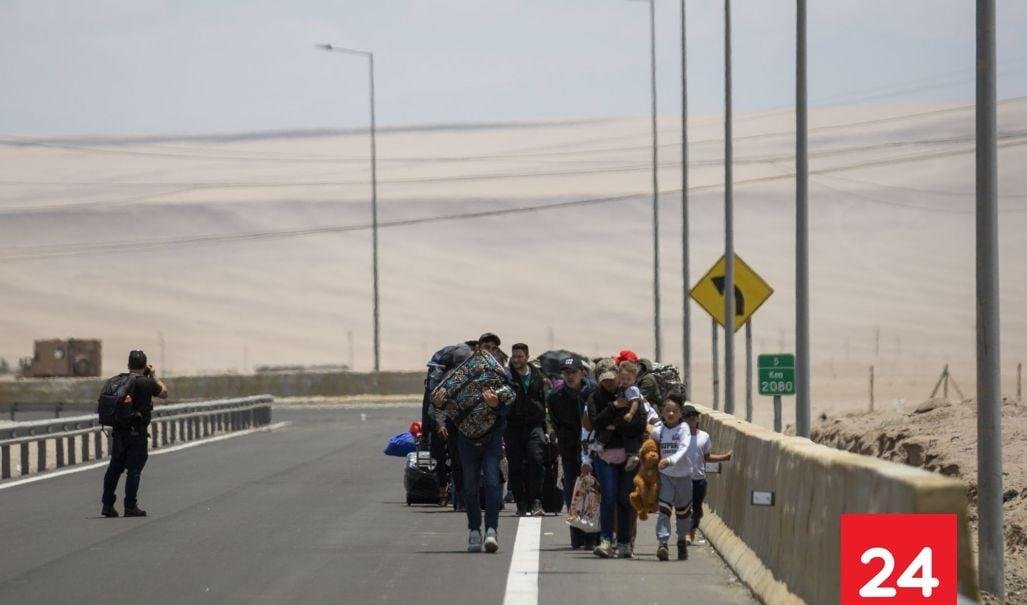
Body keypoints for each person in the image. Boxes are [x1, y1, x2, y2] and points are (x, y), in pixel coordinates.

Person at [432, 355, 515, 554]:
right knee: (470, 486)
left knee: (493, 482)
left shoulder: (502, 377)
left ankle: (492, 531)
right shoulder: (453, 380)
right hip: (466, 439)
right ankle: (474, 531)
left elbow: (510, 399)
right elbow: (438, 408)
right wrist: (438, 405)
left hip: (491, 438)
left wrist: (497, 405)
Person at [584, 369, 646, 559]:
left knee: (625, 499)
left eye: (612, 379)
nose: (609, 383)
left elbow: (640, 423)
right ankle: (606, 540)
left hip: (629, 456)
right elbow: (596, 423)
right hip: (605, 456)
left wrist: (616, 425)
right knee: (609, 497)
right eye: (605, 380)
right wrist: (613, 407)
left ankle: (625, 543)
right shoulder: (594, 398)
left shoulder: (633, 393)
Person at [101, 350, 168, 518]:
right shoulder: (146, 383)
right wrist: (153, 375)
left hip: (118, 432)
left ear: (128, 365)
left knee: (114, 468)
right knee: (134, 470)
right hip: (137, 433)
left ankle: (107, 505)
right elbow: (164, 393)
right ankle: (130, 506)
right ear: (144, 365)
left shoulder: (117, 380)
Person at [546, 357, 595, 548]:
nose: (569, 376)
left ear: (582, 372)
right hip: (569, 449)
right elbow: (556, 423)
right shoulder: (555, 396)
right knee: (572, 492)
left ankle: (593, 535)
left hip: (592, 447)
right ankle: (577, 536)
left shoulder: (593, 391)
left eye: (573, 372)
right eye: (566, 373)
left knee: (592, 491)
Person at [422, 343, 474, 508]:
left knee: (464, 463)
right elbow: (435, 406)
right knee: (457, 461)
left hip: (467, 426)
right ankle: (458, 497)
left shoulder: (476, 376)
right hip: (452, 426)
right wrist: (440, 424)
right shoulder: (447, 378)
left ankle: (464, 498)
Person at [649, 393, 695, 561]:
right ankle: (663, 543)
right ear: (662, 412)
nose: (671, 414)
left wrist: (670, 460)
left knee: (683, 513)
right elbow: (648, 440)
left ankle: (682, 540)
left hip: (683, 476)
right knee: (664, 510)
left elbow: (683, 448)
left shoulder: (683, 429)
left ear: (680, 413)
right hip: (666, 476)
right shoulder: (659, 430)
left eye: (674, 411)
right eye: (667, 410)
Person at [504, 343, 549, 517]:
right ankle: (521, 504)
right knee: (515, 466)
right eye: (514, 356)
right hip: (513, 426)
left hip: (534, 425)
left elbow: (542, 400)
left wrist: (545, 428)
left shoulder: (536, 374)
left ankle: (536, 500)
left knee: (536, 459)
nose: (516, 360)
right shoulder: (506, 376)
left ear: (527, 357)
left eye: (520, 356)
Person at [681, 403, 732, 545]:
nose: (691, 419)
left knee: (697, 509)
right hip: (683, 478)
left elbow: (706, 457)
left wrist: (724, 457)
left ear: (698, 419)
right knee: (684, 508)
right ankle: (686, 533)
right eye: (688, 417)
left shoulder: (704, 437)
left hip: (699, 479)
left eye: (694, 417)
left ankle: (691, 532)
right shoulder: (678, 437)